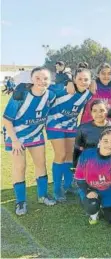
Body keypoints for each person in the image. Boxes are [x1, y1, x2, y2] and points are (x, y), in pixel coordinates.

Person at [3, 67, 57, 215]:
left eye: (45, 78)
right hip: (16, 135)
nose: (41, 81)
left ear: (49, 80)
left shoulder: (51, 95)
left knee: (41, 164)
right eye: (38, 78)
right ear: (32, 79)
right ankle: (20, 202)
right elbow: (7, 120)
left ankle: (43, 196)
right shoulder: (21, 94)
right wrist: (14, 141)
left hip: (35, 135)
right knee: (20, 167)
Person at [47, 67, 93, 202]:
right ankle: (57, 189)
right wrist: (66, 81)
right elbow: (43, 86)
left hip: (71, 125)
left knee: (69, 156)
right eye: (79, 79)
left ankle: (68, 185)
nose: (83, 82)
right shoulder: (63, 88)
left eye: (86, 79)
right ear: (74, 79)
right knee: (60, 154)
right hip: (55, 123)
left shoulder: (89, 93)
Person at [74, 129, 111, 225]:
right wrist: (88, 191)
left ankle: (103, 205)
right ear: (100, 141)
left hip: (107, 191)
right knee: (92, 206)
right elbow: (79, 179)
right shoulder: (87, 155)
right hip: (90, 187)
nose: (109, 145)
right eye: (106, 141)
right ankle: (94, 213)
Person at [73, 100, 111, 167]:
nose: (98, 114)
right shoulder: (83, 128)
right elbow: (77, 149)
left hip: (108, 167)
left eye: (102, 110)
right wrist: (74, 167)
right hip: (88, 166)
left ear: (107, 111)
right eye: (94, 111)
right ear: (91, 112)